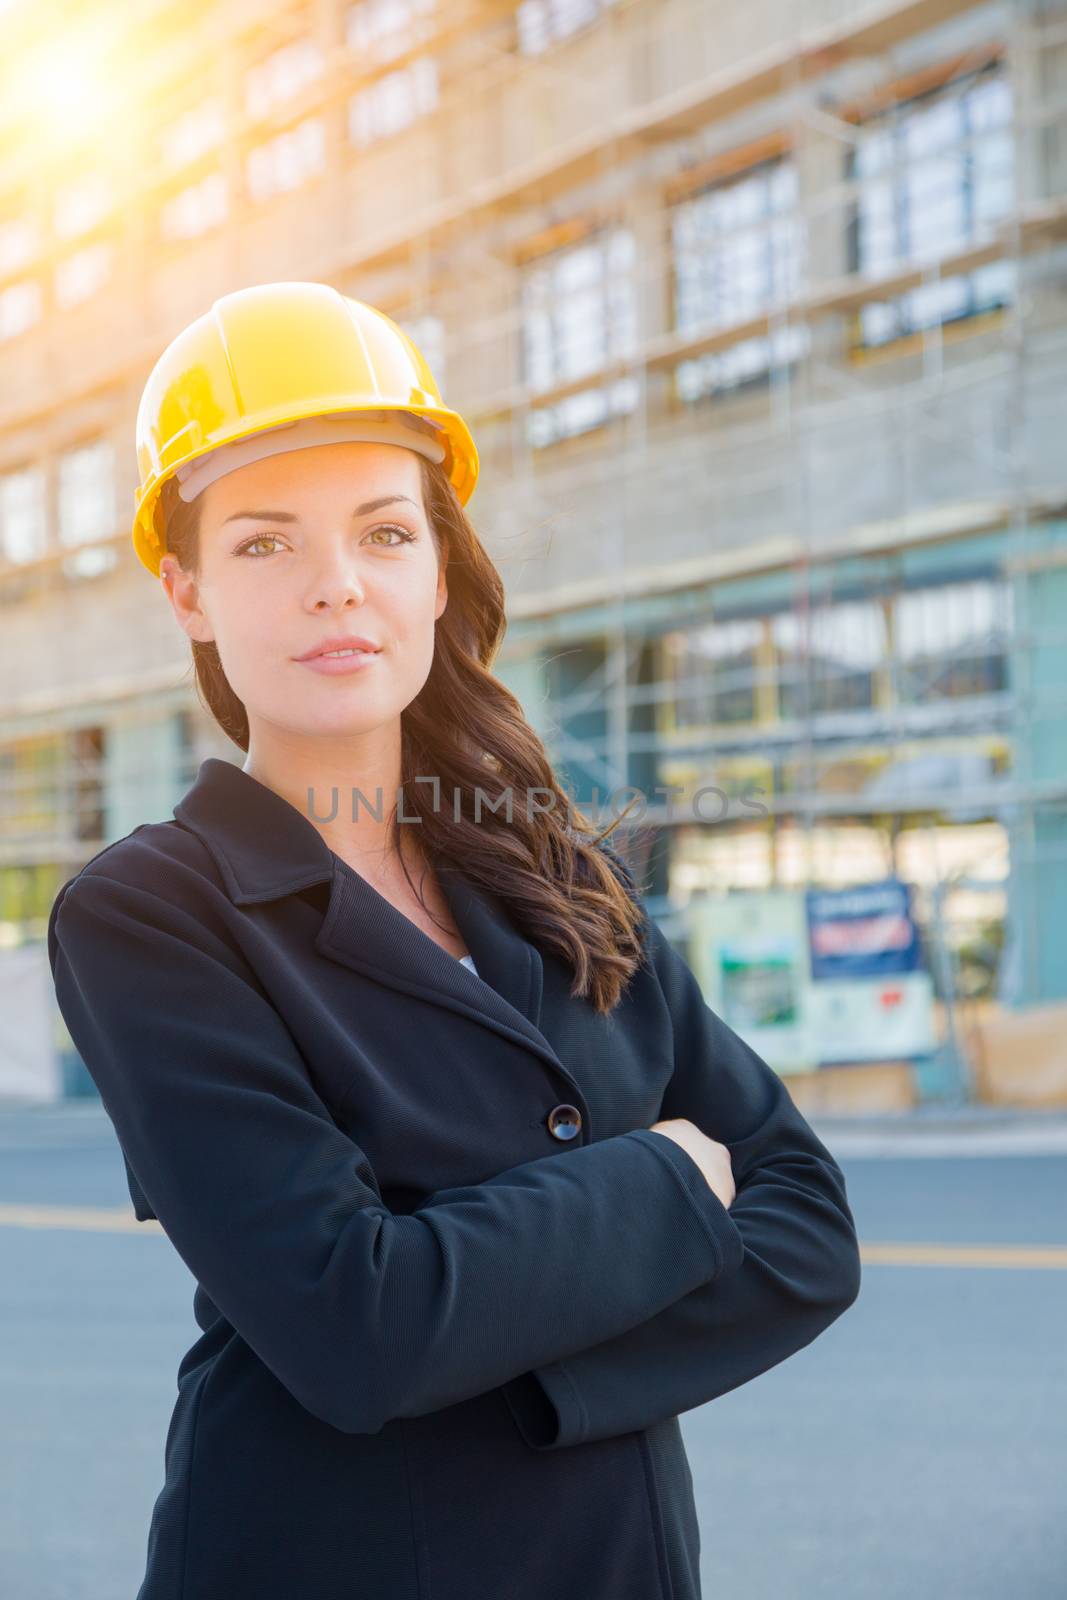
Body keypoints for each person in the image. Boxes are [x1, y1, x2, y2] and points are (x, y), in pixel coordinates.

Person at [47, 282, 862, 1600]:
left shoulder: (561, 877)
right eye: (266, 544)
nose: (337, 588)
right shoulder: (153, 914)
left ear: (437, 566)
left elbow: (812, 1229)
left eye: (383, 531)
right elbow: (357, 1327)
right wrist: (664, 1185)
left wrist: (481, 1323)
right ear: (185, 587)